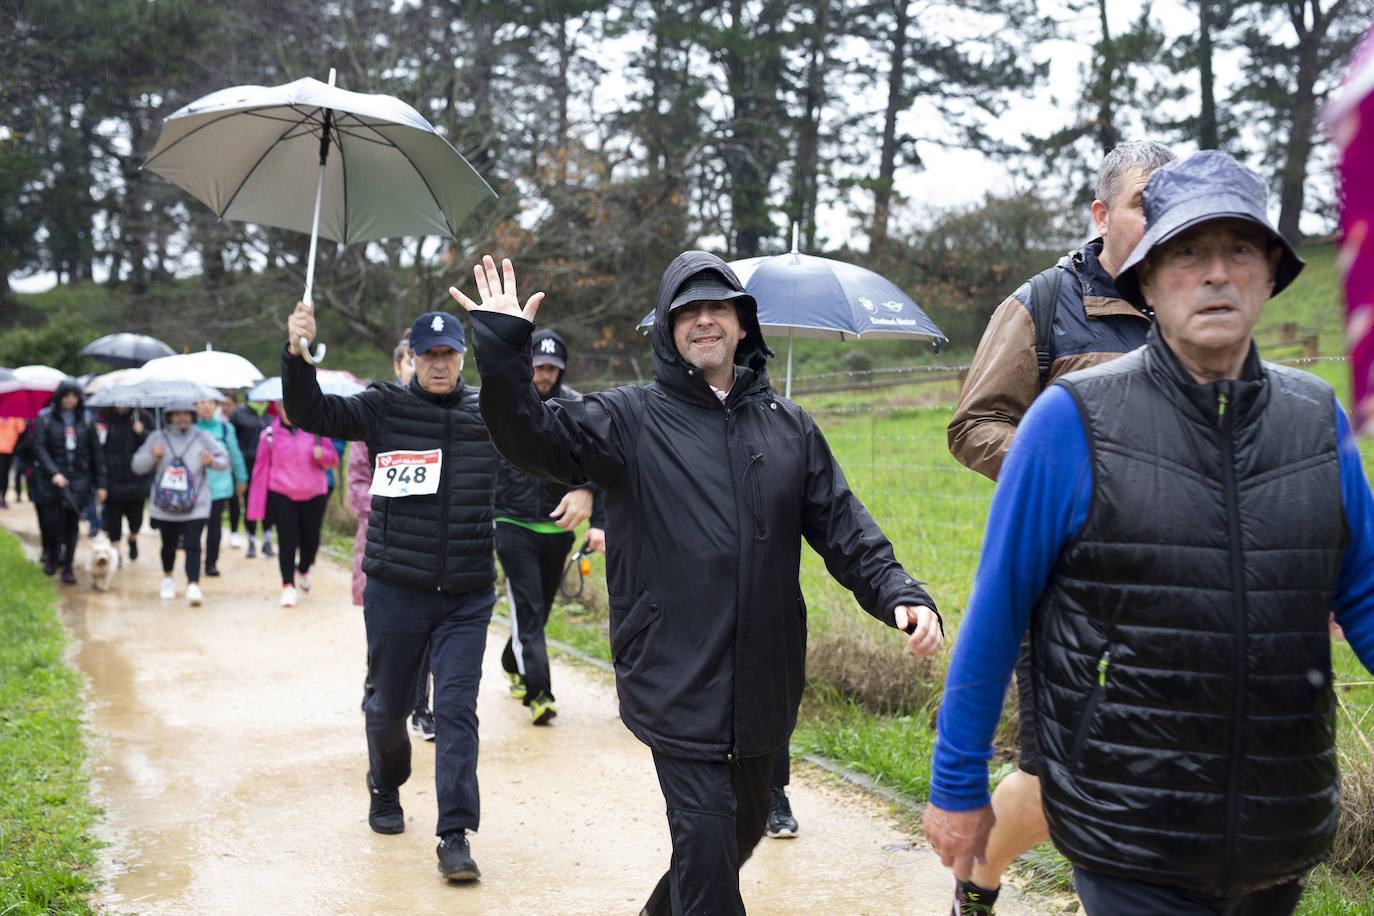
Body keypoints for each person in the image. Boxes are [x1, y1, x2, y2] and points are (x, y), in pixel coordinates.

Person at [926, 149, 1374, 915]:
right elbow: (997, 611)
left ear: (1272, 273)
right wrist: (956, 782)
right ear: (1149, 278)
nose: (1216, 274)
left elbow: (1362, 595)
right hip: (1128, 825)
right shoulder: (1069, 422)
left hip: (1279, 822)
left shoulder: (1316, 420)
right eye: (1188, 252)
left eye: (1240, 249)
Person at [454, 251, 944, 914]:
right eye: (687, 310)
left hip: (764, 682)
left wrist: (900, 593)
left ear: (744, 325)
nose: (704, 320)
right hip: (675, 676)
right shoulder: (628, 420)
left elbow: (844, 528)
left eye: (719, 307)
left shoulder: (791, 428)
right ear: (667, 329)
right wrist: (504, 348)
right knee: (711, 866)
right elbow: (528, 437)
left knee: (732, 838)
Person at [941, 138, 1175, 914]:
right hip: (1063, 584)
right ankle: (977, 876)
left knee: (1161, 763)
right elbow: (974, 424)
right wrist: (1076, 480)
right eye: (1145, 200)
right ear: (1103, 213)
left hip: (1175, 579)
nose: (1162, 214)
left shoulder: (1191, 303)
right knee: (1052, 778)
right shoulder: (1042, 303)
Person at [283, 304, 498, 883]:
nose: (439, 364)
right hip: (396, 590)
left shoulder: (489, 412)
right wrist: (297, 354)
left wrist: (583, 490)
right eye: (428, 355)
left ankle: (455, 834)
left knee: (456, 709)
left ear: (461, 358)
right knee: (387, 709)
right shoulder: (384, 406)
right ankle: (386, 783)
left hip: (467, 593)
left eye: (449, 354)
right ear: (411, 359)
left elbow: (550, 441)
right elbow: (308, 411)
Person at [492, 328, 605, 726]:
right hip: (511, 522)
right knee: (527, 607)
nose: (545, 375)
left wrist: (596, 513)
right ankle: (540, 692)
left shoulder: (577, 407)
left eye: (552, 368)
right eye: (539, 367)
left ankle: (511, 660)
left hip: (559, 530)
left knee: (538, 612)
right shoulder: (506, 406)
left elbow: (600, 462)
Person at [346, 334, 436, 742]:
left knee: (430, 638)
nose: (413, 368)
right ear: (399, 366)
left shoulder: (441, 415)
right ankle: (377, 689)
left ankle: (421, 707)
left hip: (430, 548)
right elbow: (356, 486)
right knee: (385, 633)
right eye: (408, 361)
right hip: (381, 546)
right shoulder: (375, 414)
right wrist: (393, 508)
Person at [131, 404, 228, 606]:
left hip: (196, 503)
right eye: (177, 413)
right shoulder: (157, 437)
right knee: (169, 544)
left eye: (186, 413)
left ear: (192, 415)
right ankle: (168, 577)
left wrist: (211, 462)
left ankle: (193, 584)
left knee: (193, 544)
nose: (182, 417)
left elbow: (224, 460)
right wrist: (152, 457)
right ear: (169, 416)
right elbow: (137, 465)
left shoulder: (202, 437)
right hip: (166, 505)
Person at [246, 402, 337, 607]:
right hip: (282, 493)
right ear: (277, 408)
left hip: (314, 493)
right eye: (284, 406)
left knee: (311, 540)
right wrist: (256, 505)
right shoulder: (268, 435)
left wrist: (322, 455)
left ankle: (304, 569)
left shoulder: (316, 430)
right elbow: (260, 471)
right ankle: (288, 585)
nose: (289, 411)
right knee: (287, 540)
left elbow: (332, 460)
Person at [30, 380, 106, 583]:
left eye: (74, 396)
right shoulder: (45, 418)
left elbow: (96, 453)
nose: (70, 400)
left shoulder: (87, 420)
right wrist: (53, 473)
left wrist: (101, 484)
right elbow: (39, 448)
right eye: (67, 395)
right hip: (51, 482)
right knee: (52, 523)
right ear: (60, 396)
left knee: (72, 524)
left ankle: (69, 565)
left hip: (79, 480)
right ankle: (53, 556)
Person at [194, 397, 248, 577]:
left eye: (210, 402)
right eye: (202, 402)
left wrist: (241, 478)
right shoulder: (191, 429)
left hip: (219, 485)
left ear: (216, 405)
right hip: (195, 487)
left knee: (215, 524)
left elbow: (235, 455)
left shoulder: (225, 428)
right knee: (195, 526)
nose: (206, 405)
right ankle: (193, 562)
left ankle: (211, 563)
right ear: (195, 406)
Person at [99, 404, 152, 561]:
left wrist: (142, 432)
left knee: (135, 520)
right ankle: (116, 554)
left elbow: (155, 444)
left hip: (137, 479)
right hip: (112, 479)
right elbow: (98, 450)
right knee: (113, 520)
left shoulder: (143, 418)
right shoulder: (104, 420)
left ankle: (132, 538)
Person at [227, 393, 267, 556]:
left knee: (267, 503)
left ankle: (267, 539)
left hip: (266, 467)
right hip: (245, 465)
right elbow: (231, 440)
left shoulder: (271, 414)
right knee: (247, 501)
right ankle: (248, 538)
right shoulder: (239, 413)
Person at [0, 415, 26, 507]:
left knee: (4, 474)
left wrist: (17, 447)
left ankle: (3, 497)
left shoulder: (15, 416)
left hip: (9, 450)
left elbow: (22, 431)